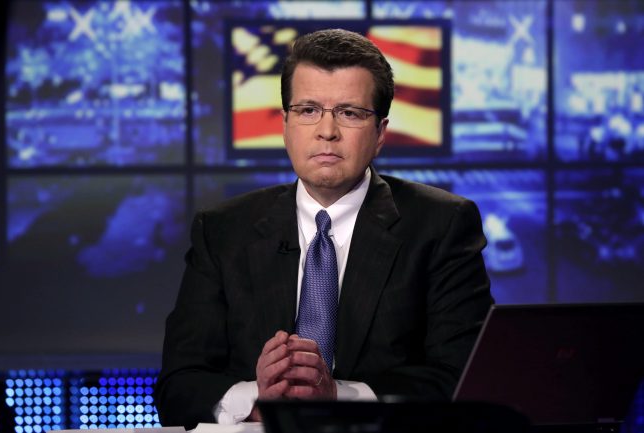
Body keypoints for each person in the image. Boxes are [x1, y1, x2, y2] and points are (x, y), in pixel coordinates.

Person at [156, 28, 493, 429]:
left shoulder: (442, 225)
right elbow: (179, 385)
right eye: (308, 110)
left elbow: (464, 379)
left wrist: (337, 398)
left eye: (350, 113)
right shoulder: (222, 231)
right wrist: (258, 401)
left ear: (380, 133)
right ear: (285, 124)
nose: (327, 131)